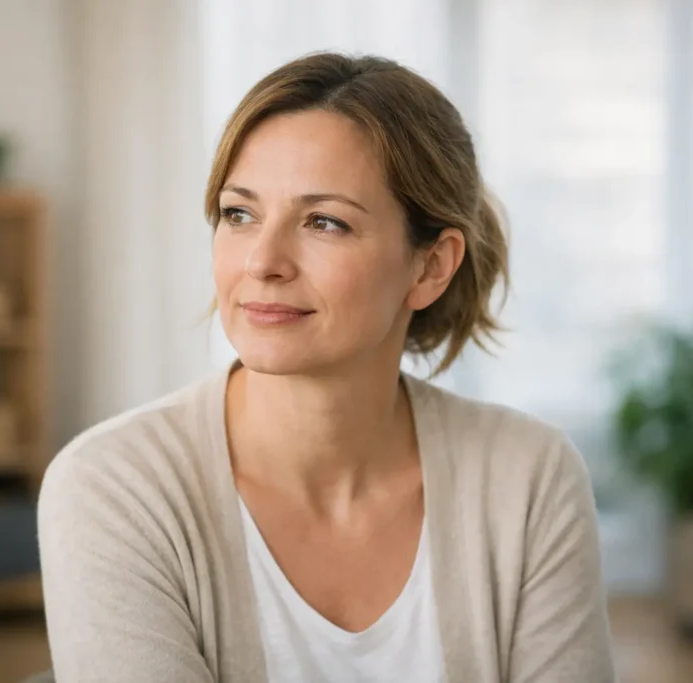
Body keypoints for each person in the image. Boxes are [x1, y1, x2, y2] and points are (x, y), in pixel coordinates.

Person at [38, 52, 615, 683]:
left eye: (324, 222)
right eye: (239, 214)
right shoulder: (113, 488)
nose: (263, 261)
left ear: (430, 267)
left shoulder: (528, 479)